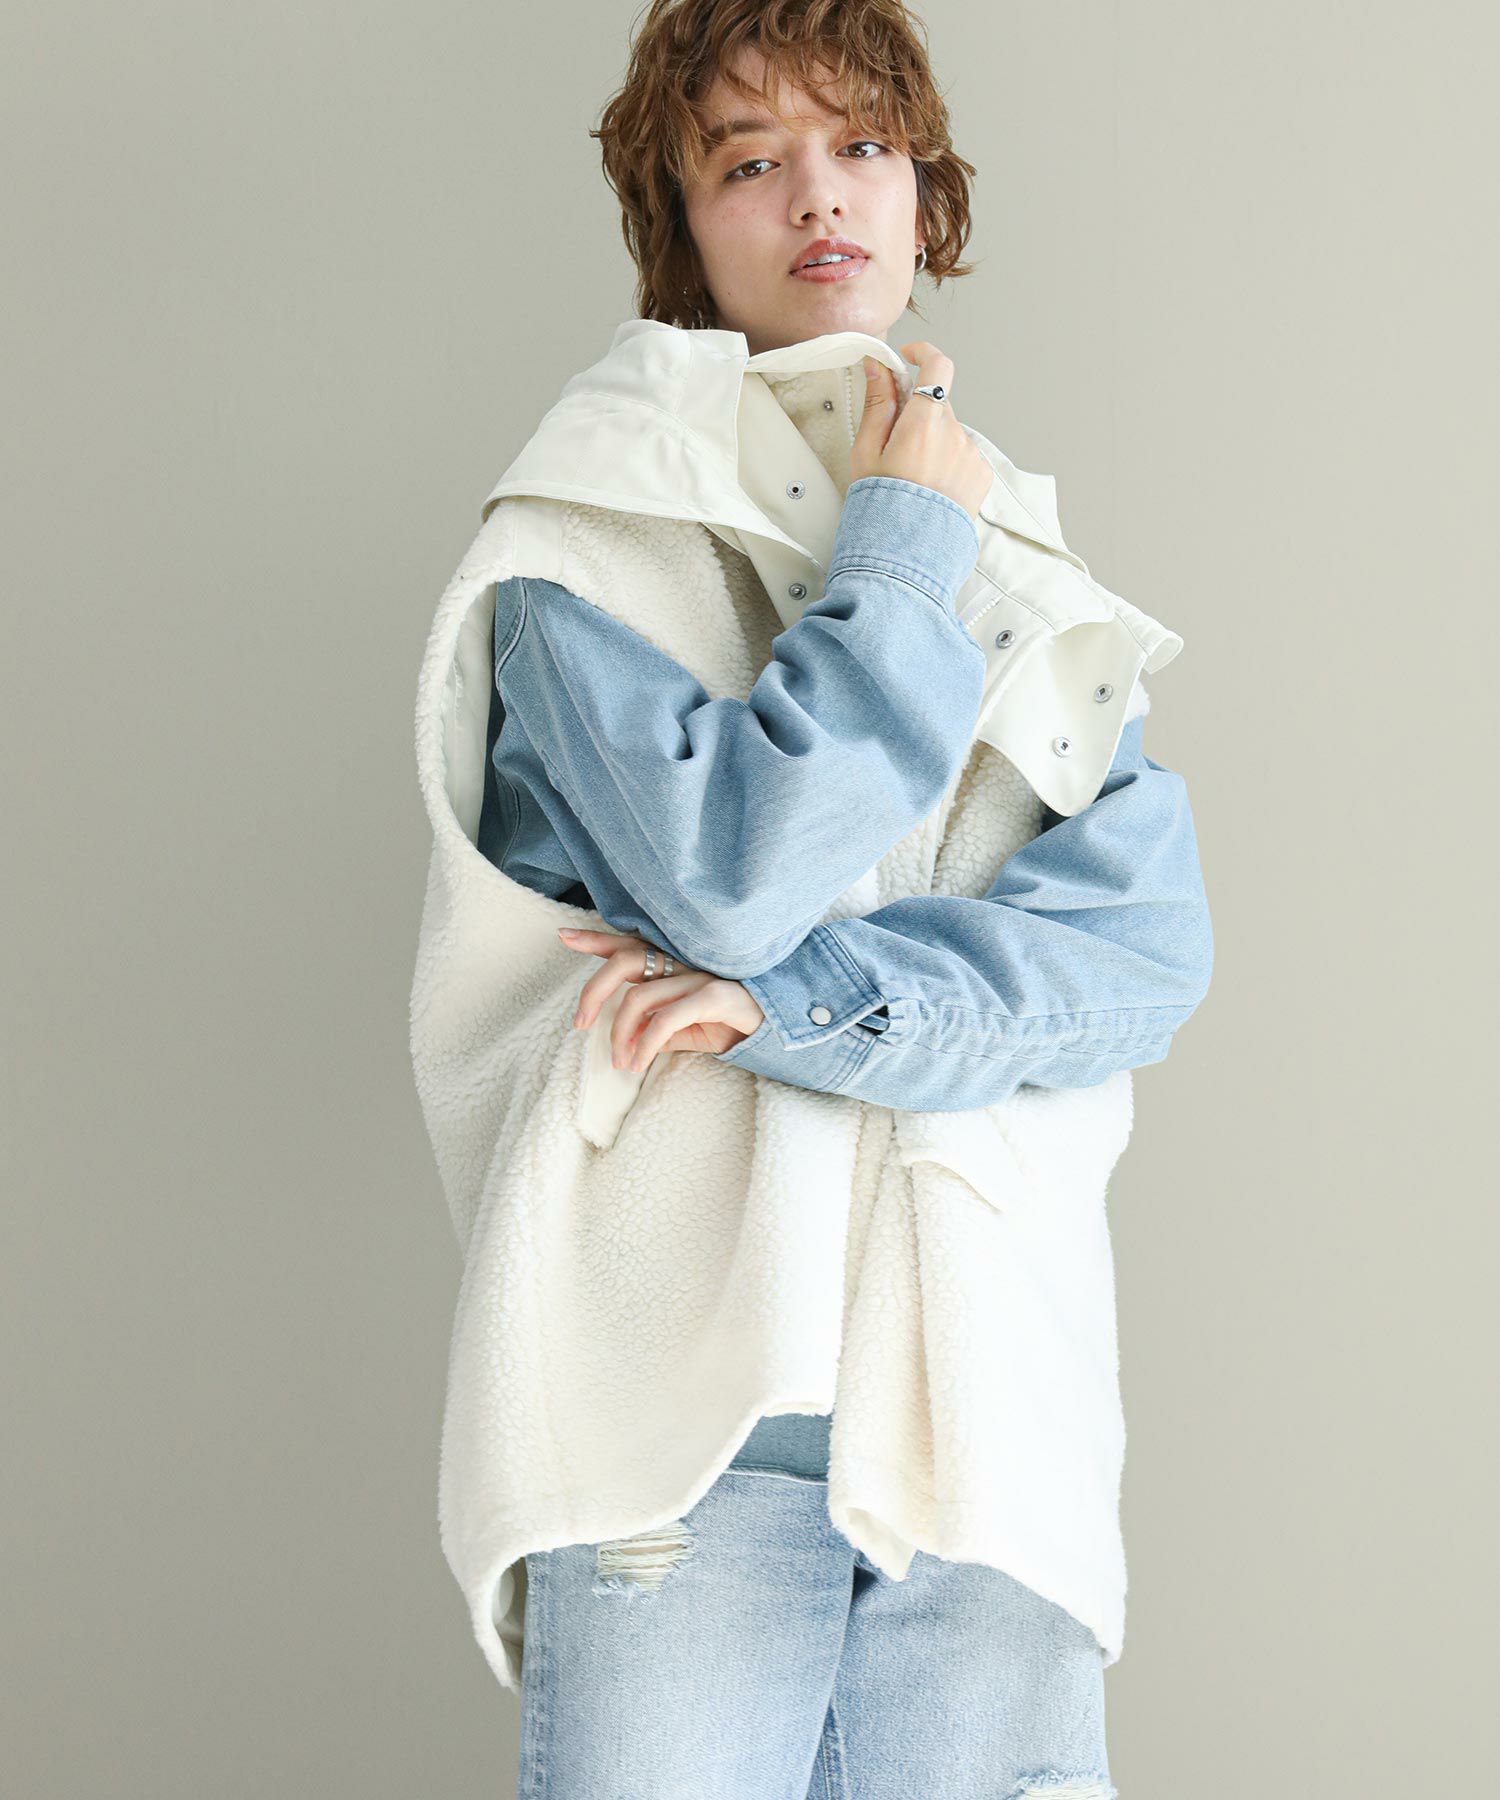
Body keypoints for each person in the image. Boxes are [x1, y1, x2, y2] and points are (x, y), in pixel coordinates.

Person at [411, 3, 1213, 1793]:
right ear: (680, 227)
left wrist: (798, 1012)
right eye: (749, 160)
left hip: (986, 1413)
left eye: (860, 145)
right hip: (692, 1418)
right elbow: (732, 870)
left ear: (926, 190)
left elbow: (1144, 961)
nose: (819, 196)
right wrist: (900, 554)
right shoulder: (578, 547)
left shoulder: (1034, 572)